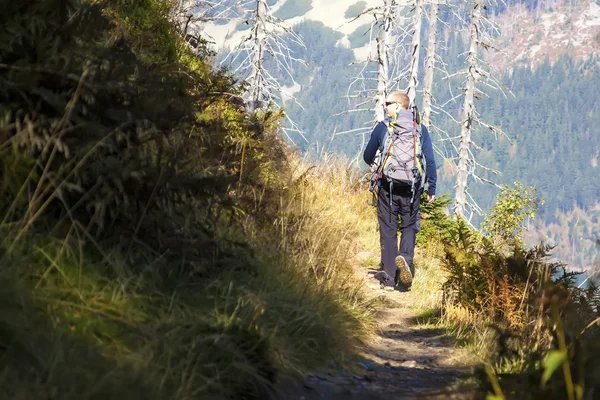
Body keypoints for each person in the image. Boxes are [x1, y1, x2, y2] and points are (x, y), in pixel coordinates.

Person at [363, 91, 437, 291]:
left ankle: (388, 279)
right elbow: (429, 160)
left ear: (398, 106)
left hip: (388, 187)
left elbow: (367, 155)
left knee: (388, 229)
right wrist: (432, 187)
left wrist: (377, 166)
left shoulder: (383, 128)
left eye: (388, 103)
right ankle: (404, 259)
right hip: (412, 190)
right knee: (409, 227)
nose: (384, 106)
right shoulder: (420, 129)